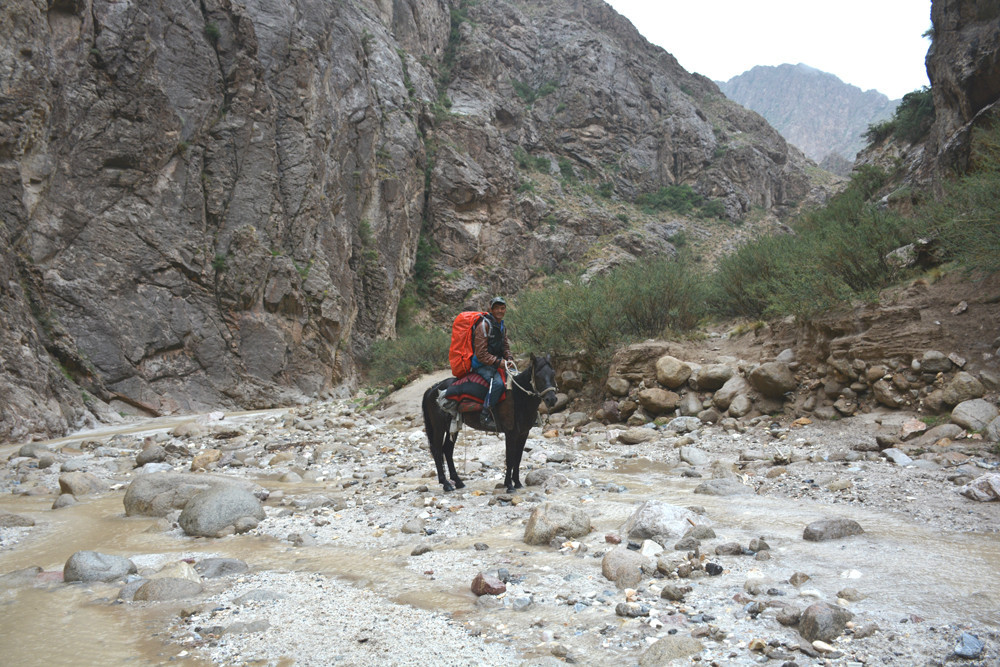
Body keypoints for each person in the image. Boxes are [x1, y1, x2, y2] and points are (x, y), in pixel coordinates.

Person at [472, 296, 512, 430]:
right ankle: (485, 415)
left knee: (517, 379)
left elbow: (505, 346)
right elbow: (481, 354)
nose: (500, 311)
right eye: (497, 308)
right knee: (498, 383)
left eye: (502, 308)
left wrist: (509, 358)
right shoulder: (484, 326)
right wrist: (499, 362)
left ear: (505, 309)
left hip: (496, 362)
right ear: (491, 309)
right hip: (482, 365)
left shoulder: (501, 326)